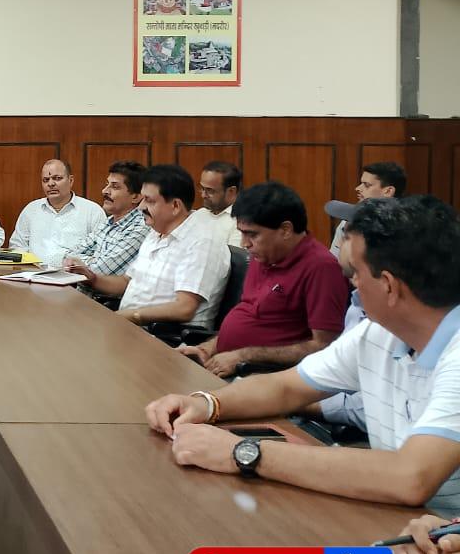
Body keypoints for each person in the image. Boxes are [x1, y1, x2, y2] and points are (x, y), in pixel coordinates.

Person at [145, 195, 460, 517]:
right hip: (395, 518)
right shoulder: (378, 334)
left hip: (440, 531)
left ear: (389, 286)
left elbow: (410, 477)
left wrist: (242, 452)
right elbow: (287, 387)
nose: (352, 288)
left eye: (356, 273)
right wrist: (207, 403)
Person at [176, 182, 349, 378]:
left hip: (262, 376)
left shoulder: (322, 268)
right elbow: (247, 317)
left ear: (285, 230)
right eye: (241, 233)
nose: (244, 244)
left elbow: (324, 346)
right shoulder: (264, 255)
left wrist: (243, 356)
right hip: (223, 363)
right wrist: (206, 349)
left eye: (252, 234)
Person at [74, 164, 229, 330]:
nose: (141, 207)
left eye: (149, 200)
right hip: (131, 326)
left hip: (166, 336)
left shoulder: (201, 242)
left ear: (175, 206)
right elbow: (127, 282)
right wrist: (92, 279)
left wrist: (129, 316)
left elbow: (184, 308)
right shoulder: (156, 232)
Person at [8, 159, 104, 266]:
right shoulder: (31, 210)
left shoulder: (92, 211)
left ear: (70, 180)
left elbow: (101, 253)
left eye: (57, 178)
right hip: (33, 273)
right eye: (46, 180)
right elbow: (18, 246)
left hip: (74, 275)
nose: (51, 184)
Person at [63, 160, 148, 277]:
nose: (105, 191)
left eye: (115, 187)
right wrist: (94, 260)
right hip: (80, 285)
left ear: (136, 197)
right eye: (107, 184)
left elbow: (100, 271)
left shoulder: (140, 227)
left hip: (102, 290)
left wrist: (85, 262)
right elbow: (67, 257)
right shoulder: (108, 222)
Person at [329, 161, 405, 258]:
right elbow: (333, 262)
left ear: (388, 191)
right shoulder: (347, 222)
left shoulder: (406, 227)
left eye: (367, 185)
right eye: (361, 183)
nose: (357, 188)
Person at [191, 160, 243, 247]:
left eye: (210, 190)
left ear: (231, 191)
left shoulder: (241, 221)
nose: (203, 195)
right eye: (202, 188)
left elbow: (233, 255)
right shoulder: (200, 214)